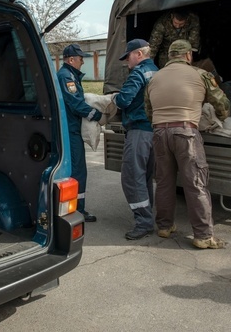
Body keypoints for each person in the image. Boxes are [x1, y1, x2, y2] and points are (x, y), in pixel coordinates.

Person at [145, 39, 230, 249]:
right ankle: (203, 235)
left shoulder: (154, 78)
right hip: (186, 133)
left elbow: (148, 110)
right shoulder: (201, 74)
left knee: (164, 182)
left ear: (170, 56)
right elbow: (222, 103)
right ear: (188, 56)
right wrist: (223, 116)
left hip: (159, 132)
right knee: (195, 183)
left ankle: (164, 227)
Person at [112, 39, 158, 240]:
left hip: (139, 129)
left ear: (139, 54)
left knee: (132, 176)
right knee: (146, 177)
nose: (126, 62)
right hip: (154, 131)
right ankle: (148, 216)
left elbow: (124, 100)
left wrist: (113, 98)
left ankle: (144, 222)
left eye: (128, 56)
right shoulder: (157, 71)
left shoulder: (138, 73)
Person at [57, 44, 104, 222]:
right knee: (77, 171)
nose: (83, 62)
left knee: (75, 170)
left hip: (70, 129)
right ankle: (77, 210)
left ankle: (74, 208)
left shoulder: (68, 75)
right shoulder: (67, 77)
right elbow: (75, 103)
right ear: (71, 60)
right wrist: (97, 115)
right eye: (80, 58)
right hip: (71, 131)